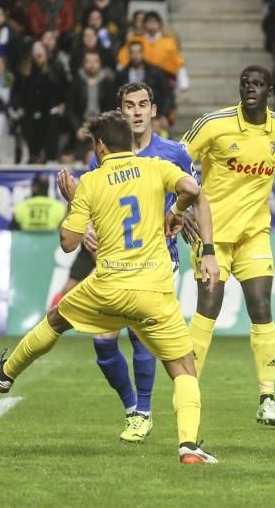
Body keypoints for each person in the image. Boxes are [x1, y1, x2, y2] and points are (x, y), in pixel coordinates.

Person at [0, 110, 220, 465]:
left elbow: (69, 243)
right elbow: (192, 189)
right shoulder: (154, 167)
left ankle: (4, 374)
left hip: (108, 286)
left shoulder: (91, 180)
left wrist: (74, 201)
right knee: (183, 368)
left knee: (57, 319)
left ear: (101, 146)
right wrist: (177, 211)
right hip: (154, 287)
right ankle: (188, 446)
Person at [58, 82, 195, 443]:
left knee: (140, 335)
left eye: (142, 104)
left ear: (153, 110)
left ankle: (144, 413)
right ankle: (133, 408)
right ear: (121, 113)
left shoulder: (173, 153)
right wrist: (87, 227)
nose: (136, 111)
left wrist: (195, 232)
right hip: (114, 259)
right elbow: (92, 200)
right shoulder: (102, 153)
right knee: (103, 341)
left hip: (159, 258)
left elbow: (196, 193)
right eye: (129, 106)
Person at [181, 65, 275, 427]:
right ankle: (187, 389)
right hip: (211, 235)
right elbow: (180, 159)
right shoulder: (213, 124)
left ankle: (268, 395)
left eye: (257, 84)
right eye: (244, 84)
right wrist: (182, 204)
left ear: (269, 90)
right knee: (208, 307)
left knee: (261, 306)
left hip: (254, 234)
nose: (249, 89)